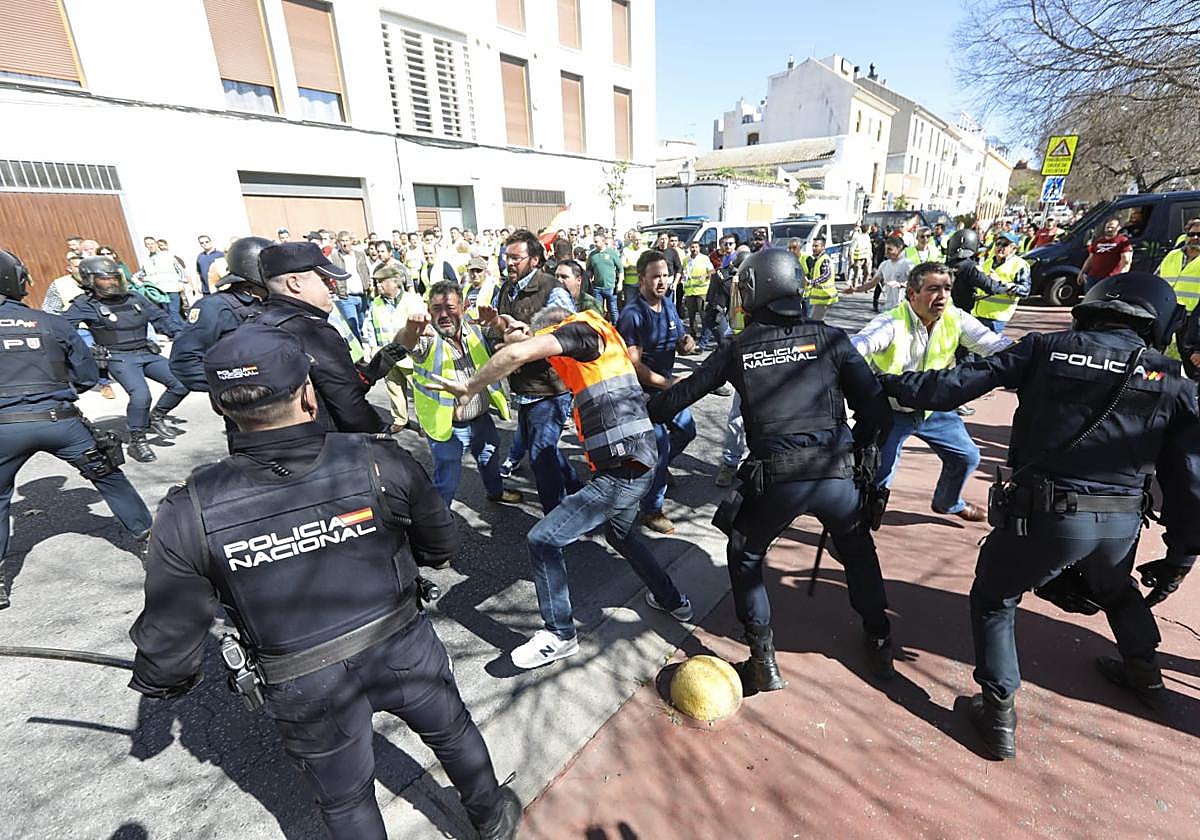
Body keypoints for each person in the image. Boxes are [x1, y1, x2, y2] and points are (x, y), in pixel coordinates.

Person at [127, 324, 521, 840]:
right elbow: (440, 546)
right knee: (451, 731)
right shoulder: (378, 459)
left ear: (222, 408)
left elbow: (171, 639)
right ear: (309, 395)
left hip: (303, 682)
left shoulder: (189, 508)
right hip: (402, 647)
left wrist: (164, 680)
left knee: (345, 799)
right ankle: (491, 818)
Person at [881, 272, 1200, 760]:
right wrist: (1180, 557)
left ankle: (998, 714)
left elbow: (951, 386)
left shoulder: (1046, 348)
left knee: (995, 596)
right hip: (1119, 526)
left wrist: (881, 382)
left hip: (1044, 515)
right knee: (1116, 590)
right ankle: (1146, 676)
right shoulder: (1171, 378)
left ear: (1093, 307)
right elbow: (1188, 478)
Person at [647, 247, 897, 691]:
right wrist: (857, 457)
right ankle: (879, 636)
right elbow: (876, 411)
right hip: (835, 474)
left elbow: (678, 399)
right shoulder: (830, 338)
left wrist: (638, 407)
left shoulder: (739, 348)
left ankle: (763, 659)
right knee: (858, 549)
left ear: (754, 290)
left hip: (775, 480)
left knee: (745, 552)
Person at [430, 306, 694, 669]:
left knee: (543, 539)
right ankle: (672, 599)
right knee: (621, 536)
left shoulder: (578, 331)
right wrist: (504, 324)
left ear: (555, 332)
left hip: (623, 472)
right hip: (638, 463)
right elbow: (523, 343)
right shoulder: (597, 339)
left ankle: (559, 634)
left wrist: (469, 386)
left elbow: (518, 353)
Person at [0, 250, 153, 607]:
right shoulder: (50, 323)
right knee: (109, 477)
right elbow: (86, 377)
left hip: (4, 430)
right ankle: (150, 543)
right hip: (61, 422)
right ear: (16, 280)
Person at [851, 262, 1012, 522]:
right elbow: (858, 346)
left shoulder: (956, 318)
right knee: (879, 473)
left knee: (967, 457)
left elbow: (994, 345)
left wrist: (1035, 350)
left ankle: (948, 503)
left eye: (947, 288)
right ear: (912, 294)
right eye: (933, 289)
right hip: (891, 411)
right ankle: (859, 525)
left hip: (933, 410)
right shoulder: (891, 322)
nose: (943, 296)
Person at [400, 280, 520, 506]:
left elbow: (509, 336)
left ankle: (496, 492)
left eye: (450, 308)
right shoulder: (426, 337)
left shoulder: (474, 327)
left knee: (489, 457)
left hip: (481, 419)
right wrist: (409, 331)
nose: (444, 315)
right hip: (447, 426)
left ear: (463, 307)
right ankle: (439, 520)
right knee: (447, 480)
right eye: (437, 309)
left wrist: (496, 322)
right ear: (429, 311)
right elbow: (406, 343)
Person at [255, 242, 390, 434]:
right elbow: (349, 405)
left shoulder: (253, 323)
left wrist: (365, 376)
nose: (332, 287)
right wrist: (381, 438)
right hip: (321, 444)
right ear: (295, 283)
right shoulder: (312, 331)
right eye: (325, 280)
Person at [65, 257, 188, 462]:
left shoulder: (134, 298)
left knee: (181, 382)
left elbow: (161, 318)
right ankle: (137, 439)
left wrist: (183, 335)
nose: (112, 283)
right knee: (141, 395)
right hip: (119, 357)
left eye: (115, 278)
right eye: (105, 279)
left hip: (145, 351)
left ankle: (157, 416)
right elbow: (63, 330)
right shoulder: (84, 304)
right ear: (90, 280)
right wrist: (86, 351)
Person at [493, 230, 582, 512]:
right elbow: (503, 331)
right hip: (524, 387)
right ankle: (578, 490)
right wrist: (496, 328)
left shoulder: (552, 289)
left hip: (551, 388)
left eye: (516, 258)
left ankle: (556, 518)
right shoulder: (506, 289)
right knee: (544, 449)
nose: (509, 263)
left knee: (540, 456)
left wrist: (526, 340)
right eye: (507, 257)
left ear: (534, 260)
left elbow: (569, 336)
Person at [617, 250, 697, 534]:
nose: (662, 281)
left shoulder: (669, 304)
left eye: (665, 275)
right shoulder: (633, 315)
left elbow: (680, 341)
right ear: (642, 279)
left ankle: (656, 471)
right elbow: (633, 364)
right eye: (655, 277)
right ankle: (650, 510)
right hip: (643, 394)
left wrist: (686, 343)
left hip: (665, 389)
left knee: (686, 431)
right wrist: (668, 383)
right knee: (660, 447)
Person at [170, 236, 270, 392]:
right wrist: (235, 385)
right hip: (249, 399)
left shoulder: (275, 300)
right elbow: (184, 362)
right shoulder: (214, 307)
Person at [1156, 218, 1200, 364]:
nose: (1195, 238)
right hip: (1167, 314)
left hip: (1192, 319)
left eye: (1199, 235)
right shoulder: (1172, 255)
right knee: (1155, 358)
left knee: (1191, 363)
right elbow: (1156, 280)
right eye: (1191, 234)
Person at [973, 234, 1031, 334]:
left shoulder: (1020, 265)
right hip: (978, 313)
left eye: (1004, 245)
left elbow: (1025, 291)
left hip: (997, 317)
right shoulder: (988, 262)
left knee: (990, 343)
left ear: (1013, 248)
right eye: (998, 244)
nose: (999, 247)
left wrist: (1001, 282)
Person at [138, 236, 190, 331]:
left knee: (173, 311)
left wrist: (182, 282)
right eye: (148, 244)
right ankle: (183, 330)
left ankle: (182, 330)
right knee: (167, 312)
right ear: (146, 246)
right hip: (160, 291)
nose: (151, 246)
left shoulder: (167, 256)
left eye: (152, 243)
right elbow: (142, 273)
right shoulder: (146, 260)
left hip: (172, 287)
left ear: (156, 244)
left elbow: (179, 269)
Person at [848, 236, 912, 313]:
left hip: (904, 309)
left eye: (890, 249)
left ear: (899, 248)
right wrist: (855, 289)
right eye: (885, 249)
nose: (886, 252)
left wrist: (901, 284)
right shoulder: (884, 265)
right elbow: (872, 283)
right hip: (888, 308)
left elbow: (917, 284)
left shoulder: (907, 264)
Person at [329, 231, 371, 342]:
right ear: (338, 243)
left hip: (362, 294)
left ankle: (359, 340)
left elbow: (368, 269)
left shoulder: (360, 255)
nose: (345, 244)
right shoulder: (334, 257)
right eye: (342, 241)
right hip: (346, 296)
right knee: (353, 324)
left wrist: (370, 283)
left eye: (347, 240)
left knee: (361, 322)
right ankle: (359, 348)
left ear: (351, 241)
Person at [1077, 216, 1132, 292]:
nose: (1109, 229)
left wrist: (1121, 277)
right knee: (1089, 297)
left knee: (1104, 298)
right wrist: (1082, 272)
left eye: (1112, 227)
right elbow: (1090, 259)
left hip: (1110, 278)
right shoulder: (1098, 242)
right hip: (1093, 278)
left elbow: (1126, 261)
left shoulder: (1122, 241)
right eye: (1108, 227)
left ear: (1118, 228)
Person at [681, 239, 714, 340]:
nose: (694, 249)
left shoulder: (704, 258)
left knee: (703, 315)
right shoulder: (686, 260)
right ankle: (693, 335)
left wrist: (705, 275)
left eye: (696, 247)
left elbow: (712, 271)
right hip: (690, 292)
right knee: (691, 316)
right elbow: (684, 273)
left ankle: (705, 336)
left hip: (701, 291)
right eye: (692, 247)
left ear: (699, 248)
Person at [587, 233, 621, 322]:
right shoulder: (592, 255)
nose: (595, 244)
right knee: (598, 311)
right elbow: (589, 270)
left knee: (613, 310)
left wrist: (620, 283)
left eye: (597, 242)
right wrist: (588, 280)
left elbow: (620, 269)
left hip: (610, 287)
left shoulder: (611, 253)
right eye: (594, 242)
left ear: (603, 241)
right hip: (597, 288)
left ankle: (616, 327)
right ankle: (600, 327)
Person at [805, 235, 837, 321]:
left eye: (816, 246)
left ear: (823, 247)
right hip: (821, 298)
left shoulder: (824, 259)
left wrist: (812, 282)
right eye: (813, 246)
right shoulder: (818, 259)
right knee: (816, 321)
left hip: (825, 297)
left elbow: (826, 275)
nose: (813, 248)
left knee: (815, 321)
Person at [619, 229, 644, 310]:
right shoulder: (626, 250)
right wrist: (629, 265)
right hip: (630, 283)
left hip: (643, 284)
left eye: (639, 240)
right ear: (632, 240)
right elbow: (622, 264)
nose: (638, 242)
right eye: (636, 240)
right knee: (630, 306)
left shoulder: (646, 250)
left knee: (643, 306)